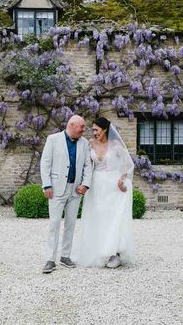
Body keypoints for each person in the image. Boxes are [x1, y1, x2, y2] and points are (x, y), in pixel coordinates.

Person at [73, 117, 136, 268]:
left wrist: (122, 178)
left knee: (113, 218)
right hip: (96, 185)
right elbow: (85, 164)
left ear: (105, 129)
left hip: (113, 185)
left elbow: (128, 164)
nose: (94, 133)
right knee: (97, 217)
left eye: (96, 129)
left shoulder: (116, 145)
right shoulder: (90, 143)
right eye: (93, 130)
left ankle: (115, 253)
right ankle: (98, 251)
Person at [39, 115, 92, 274]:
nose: (84, 129)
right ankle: (50, 259)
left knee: (70, 224)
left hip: (76, 190)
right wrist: (46, 184)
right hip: (56, 189)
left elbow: (88, 166)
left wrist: (85, 184)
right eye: (81, 126)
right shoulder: (53, 139)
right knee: (54, 224)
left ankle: (65, 256)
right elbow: (45, 163)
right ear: (72, 125)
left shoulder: (84, 143)